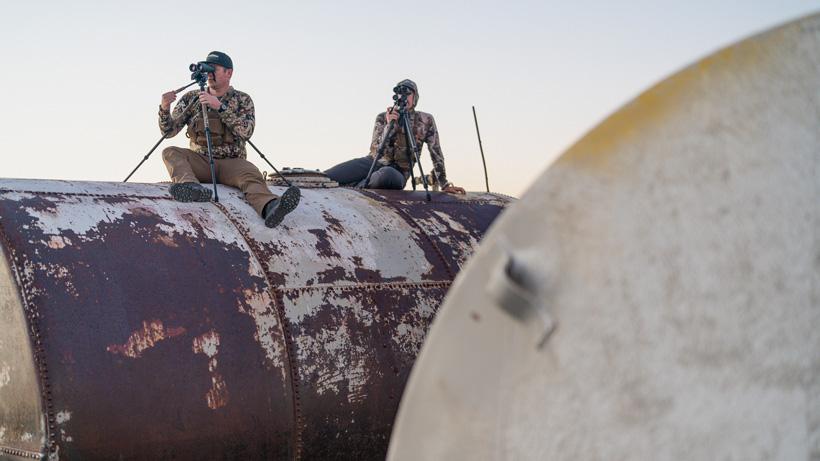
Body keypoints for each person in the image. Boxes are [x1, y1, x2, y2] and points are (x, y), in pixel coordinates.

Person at [158, 51, 299, 228]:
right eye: (207, 70)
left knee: (251, 174)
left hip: (232, 164)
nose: (209, 74)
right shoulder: (192, 98)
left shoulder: (242, 99)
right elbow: (169, 132)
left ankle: (270, 207)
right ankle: (191, 187)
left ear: (229, 73)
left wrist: (220, 107)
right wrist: (164, 108)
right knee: (170, 152)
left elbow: (246, 132)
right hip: (201, 160)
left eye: (214, 69)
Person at [325, 79, 466, 194]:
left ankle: (354, 187)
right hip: (373, 162)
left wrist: (444, 183)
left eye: (408, 93)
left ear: (415, 97)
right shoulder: (382, 117)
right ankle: (350, 182)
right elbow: (376, 148)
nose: (403, 96)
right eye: (399, 93)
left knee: (385, 175)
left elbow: (436, 151)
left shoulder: (426, 120)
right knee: (329, 176)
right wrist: (389, 125)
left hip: (398, 171)